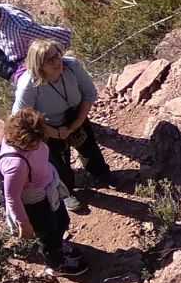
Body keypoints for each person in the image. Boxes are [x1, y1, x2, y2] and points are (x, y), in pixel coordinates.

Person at [12, 38, 113, 212]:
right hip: (46, 125)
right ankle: (67, 193)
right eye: (49, 60)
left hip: (75, 115)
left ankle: (101, 174)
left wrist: (76, 124)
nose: (57, 62)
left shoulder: (72, 66)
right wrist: (54, 133)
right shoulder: (28, 84)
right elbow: (22, 118)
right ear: (39, 64)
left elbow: (89, 94)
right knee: (58, 162)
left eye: (57, 55)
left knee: (88, 147)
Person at [0, 109, 87, 278]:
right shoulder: (15, 165)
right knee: (47, 235)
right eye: (35, 141)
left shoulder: (32, 139)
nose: (40, 142)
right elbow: (12, 197)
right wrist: (24, 223)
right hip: (35, 202)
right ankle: (55, 264)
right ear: (24, 140)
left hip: (48, 189)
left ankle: (59, 245)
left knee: (61, 221)